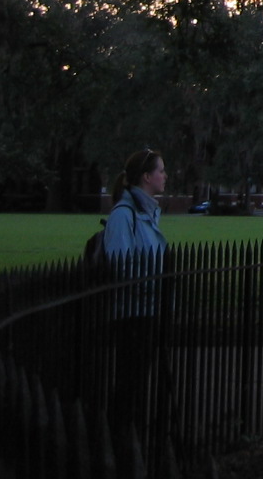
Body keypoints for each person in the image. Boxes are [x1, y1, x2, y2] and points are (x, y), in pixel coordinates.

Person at [103, 148, 171, 463]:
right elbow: (122, 264)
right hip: (132, 314)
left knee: (142, 384)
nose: (165, 176)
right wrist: (154, 286)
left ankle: (136, 441)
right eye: (161, 171)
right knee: (129, 385)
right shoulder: (124, 215)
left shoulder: (147, 213)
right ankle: (121, 445)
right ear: (146, 177)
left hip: (149, 312)